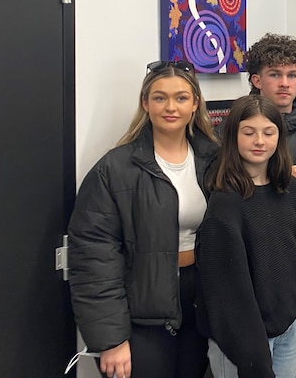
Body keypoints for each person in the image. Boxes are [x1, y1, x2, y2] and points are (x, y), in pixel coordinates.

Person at [67, 60, 219, 378]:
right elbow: (93, 259)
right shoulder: (115, 170)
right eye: (160, 97)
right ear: (145, 103)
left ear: (194, 104)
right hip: (141, 318)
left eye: (180, 98)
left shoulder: (215, 160)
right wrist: (110, 340)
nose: (170, 107)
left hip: (199, 308)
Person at [196, 95, 296, 378]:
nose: (259, 141)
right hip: (242, 339)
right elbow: (225, 295)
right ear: (232, 137)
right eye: (249, 132)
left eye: (268, 132)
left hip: (288, 325)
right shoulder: (225, 202)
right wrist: (253, 357)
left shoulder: (288, 187)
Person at [247, 33, 296, 225]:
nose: (284, 83)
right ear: (257, 80)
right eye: (275, 74)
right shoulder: (234, 128)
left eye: (292, 75)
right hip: (256, 232)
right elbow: (225, 188)